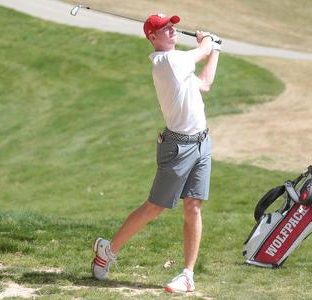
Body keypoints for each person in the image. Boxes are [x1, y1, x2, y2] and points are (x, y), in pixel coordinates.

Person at [90, 13, 221, 293]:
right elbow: (202, 51)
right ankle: (107, 251)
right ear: (152, 37)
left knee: (194, 206)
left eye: (172, 26)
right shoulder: (166, 62)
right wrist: (208, 42)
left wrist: (216, 50)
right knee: (155, 207)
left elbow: (206, 83)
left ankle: (187, 274)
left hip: (202, 143)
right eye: (164, 29)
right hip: (178, 147)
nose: (172, 30)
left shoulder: (180, 64)